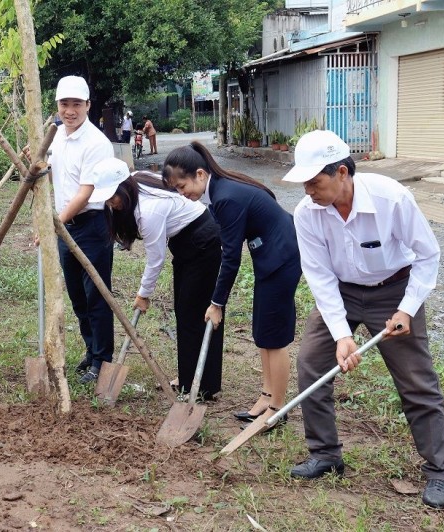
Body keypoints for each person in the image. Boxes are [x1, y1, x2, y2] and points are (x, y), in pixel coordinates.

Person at [283, 129, 444, 509]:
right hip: (341, 292)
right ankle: (326, 454)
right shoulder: (307, 213)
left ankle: (439, 471)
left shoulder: (391, 198)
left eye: (315, 182)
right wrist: (342, 335)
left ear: (342, 172)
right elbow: (320, 276)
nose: (308, 191)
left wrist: (407, 309)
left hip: (394, 291)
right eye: (304, 184)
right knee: (311, 364)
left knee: (416, 381)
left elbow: (427, 254)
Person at [162, 142, 301, 426]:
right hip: (269, 256)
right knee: (262, 332)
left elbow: (230, 257)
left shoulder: (225, 197)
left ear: (200, 174)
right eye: (176, 189)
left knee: (273, 336)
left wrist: (217, 303)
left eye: (182, 185)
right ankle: (266, 395)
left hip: (282, 257)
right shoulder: (217, 192)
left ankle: (278, 408)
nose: (181, 193)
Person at [88, 158, 224, 399]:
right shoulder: (136, 184)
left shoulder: (149, 211)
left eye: (112, 197)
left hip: (203, 241)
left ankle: (202, 387)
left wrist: (143, 295)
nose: (111, 203)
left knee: (196, 313)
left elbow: (155, 259)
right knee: (184, 312)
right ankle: (187, 378)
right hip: (185, 241)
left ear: (124, 188)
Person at [49, 76, 116, 384]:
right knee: (77, 295)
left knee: (96, 295)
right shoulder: (56, 135)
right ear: (58, 105)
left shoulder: (96, 143)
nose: (70, 111)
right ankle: (90, 351)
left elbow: (85, 192)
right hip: (66, 226)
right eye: (65, 104)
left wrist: (55, 223)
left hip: (90, 226)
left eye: (77, 104)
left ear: (88, 106)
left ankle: (102, 360)